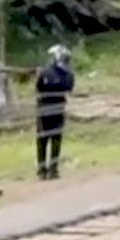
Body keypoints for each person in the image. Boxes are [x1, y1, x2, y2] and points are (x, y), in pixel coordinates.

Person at [35, 44, 75, 180]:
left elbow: (39, 87)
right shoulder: (68, 75)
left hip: (44, 107)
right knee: (56, 138)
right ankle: (53, 168)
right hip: (58, 107)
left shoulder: (44, 72)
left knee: (42, 139)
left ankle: (42, 169)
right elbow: (69, 89)